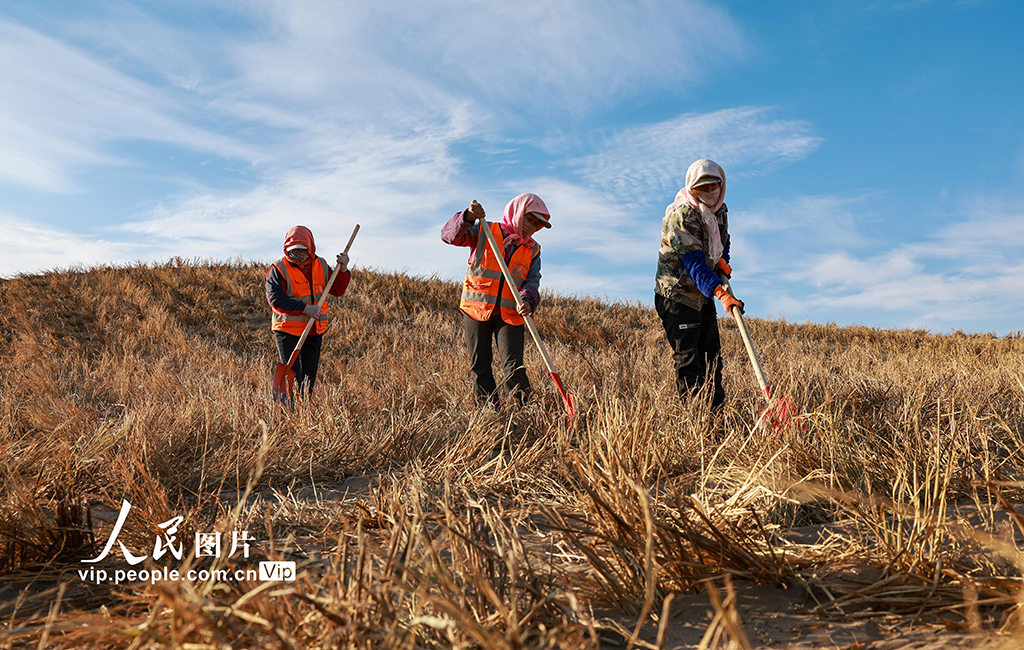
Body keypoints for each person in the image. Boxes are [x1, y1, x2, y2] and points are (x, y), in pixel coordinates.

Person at [441, 194, 550, 405]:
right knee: (480, 364)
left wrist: (528, 300)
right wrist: (467, 217)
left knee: (514, 367)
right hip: (476, 307)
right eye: (530, 220)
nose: (533, 227)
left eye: (537, 224)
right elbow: (449, 236)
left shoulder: (533, 249)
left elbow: (532, 280)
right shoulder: (484, 230)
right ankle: (489, 412)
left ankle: (524, 412)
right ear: (517, 214)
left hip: (511, 313)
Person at [654, 159, 744, 410]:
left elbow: (723, 240)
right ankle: (694, 419)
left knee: (713, 358)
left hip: (701, 295)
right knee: (690, 360)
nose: (709, 192)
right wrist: (720, 292)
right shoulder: (682, 214)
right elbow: (693, 263)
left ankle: (716, 417)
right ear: (691, 188)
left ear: (721, 184)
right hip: (677, 295)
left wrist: (723, 261)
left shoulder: (719, 211)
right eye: (701, 188)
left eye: (713, 185)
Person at [265, 225, 351, 396]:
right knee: (292, 377)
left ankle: (304, 410)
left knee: (308, 379)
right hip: (288, 331)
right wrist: (305, 309)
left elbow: (337, 290)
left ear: (310, 248)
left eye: (302, 250)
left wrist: (342, 269)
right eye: (293, 250)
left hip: (313, 330)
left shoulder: (321, 264)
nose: (297, 254)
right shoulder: (279, 269)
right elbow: (275, 299)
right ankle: (288, 411)